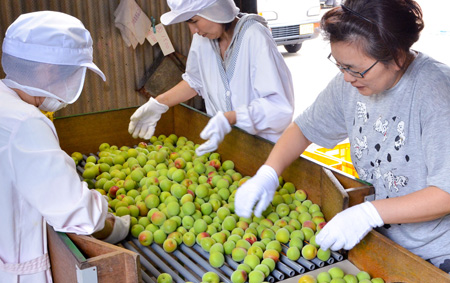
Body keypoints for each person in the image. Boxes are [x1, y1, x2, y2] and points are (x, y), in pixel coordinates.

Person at [234, 0, 450, 273]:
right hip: (379, 241)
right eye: (340, 66)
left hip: (435, 254)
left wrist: (369, 213)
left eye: (355, 69)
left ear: (396, 57)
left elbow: (446, 194)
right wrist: (268, 173)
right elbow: (303, 129)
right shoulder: (350, 85)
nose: (347, 78)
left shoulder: (437, 94)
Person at [0, 11, 130, 282]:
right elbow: (75, 211)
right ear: (48, 70)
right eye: (72, 72)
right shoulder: (26, 123)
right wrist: (113, 224)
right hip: (20, 269)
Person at [128, 0, 295, 156]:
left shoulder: (255, 37)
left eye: (194, 20)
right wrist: (159, 103)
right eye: (188, 23)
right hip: (227, 151)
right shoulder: (203, 40)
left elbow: (279, 107)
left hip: (263, 152)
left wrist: (231, 117)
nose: (193, 31)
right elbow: (195, 81)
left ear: (216, 10)